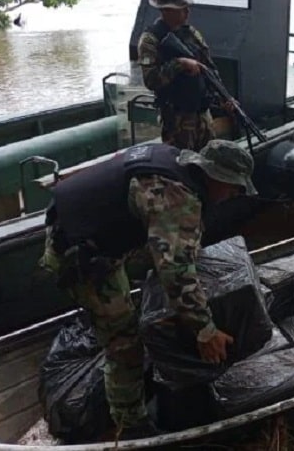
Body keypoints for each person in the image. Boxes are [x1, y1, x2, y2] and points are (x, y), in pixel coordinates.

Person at [38, 139, 257, 439]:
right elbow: (176, 273)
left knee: (165, 264)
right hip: (79, 253)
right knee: (125, 345)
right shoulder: (176, 197)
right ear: (216, 177)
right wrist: (205, 331)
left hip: (85, 226)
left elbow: (179, 247)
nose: (234, 196)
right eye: (235, 188)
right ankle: (131, 426)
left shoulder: (174, 160)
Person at [137, 0, 228, 151]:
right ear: (165, 11)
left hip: (202, 113)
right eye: (181, 8)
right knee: (181, 165)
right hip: (177, 118)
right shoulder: (150, 40)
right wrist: (180, 64)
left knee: (208, 160)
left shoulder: (191, 34)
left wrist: (224, 97)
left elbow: (209, 68)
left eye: (187, 7)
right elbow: (151, 80)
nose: (187, 12)